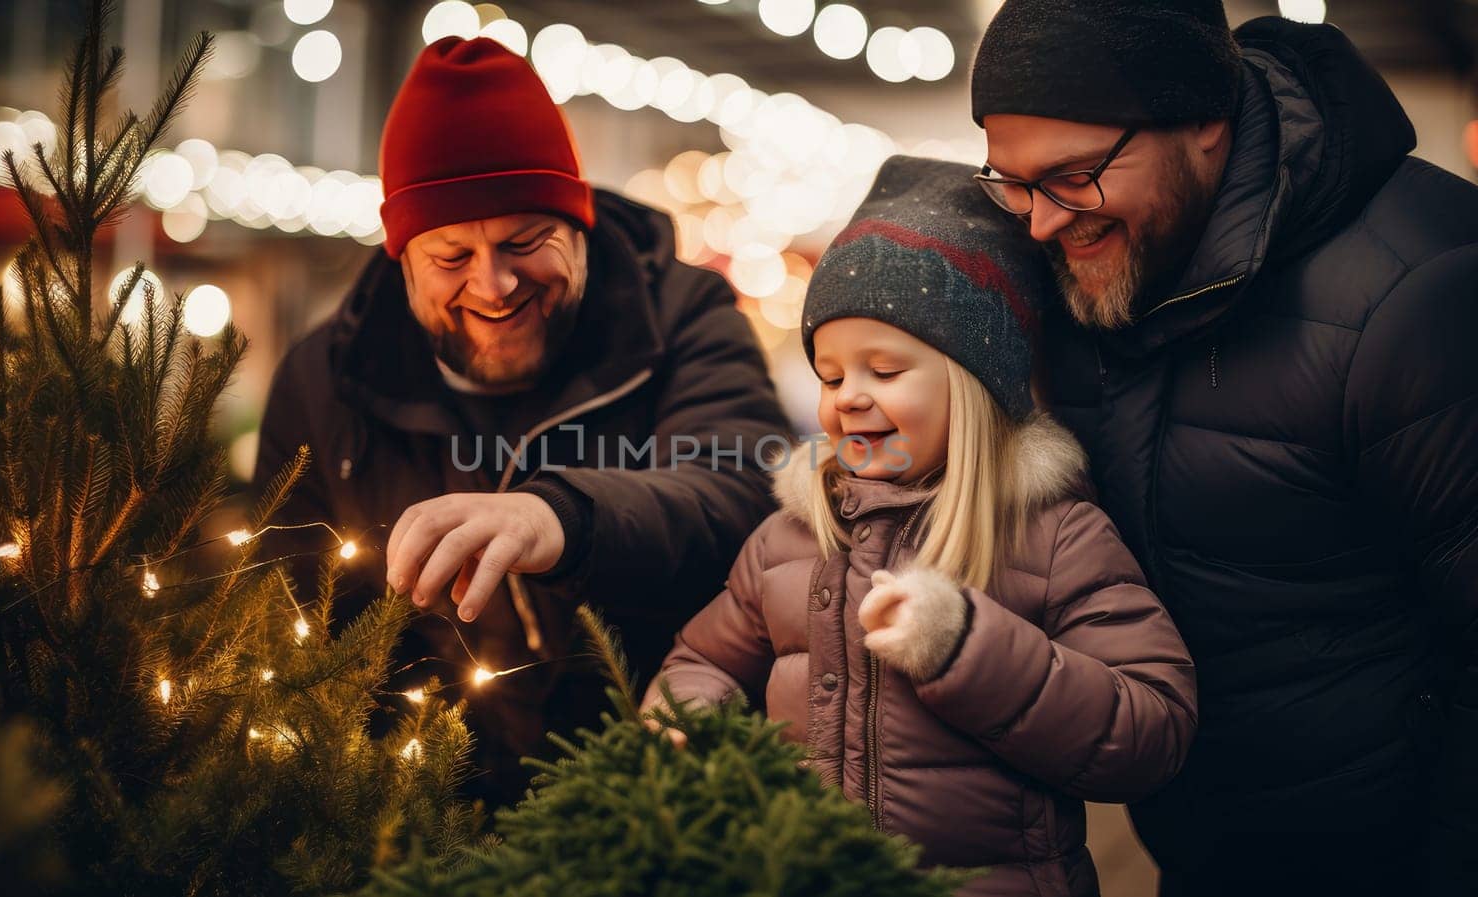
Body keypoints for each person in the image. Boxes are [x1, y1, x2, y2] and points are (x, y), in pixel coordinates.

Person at [968, 3, 1478, 895]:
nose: (1041, 224)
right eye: (1009, 184)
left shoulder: (1421, 290)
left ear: (1207, 119)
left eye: (1074, 176)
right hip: (1202, 848)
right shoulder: (1086, 259)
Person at [254, 36, 788, 804]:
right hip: (416, 818)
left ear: (579, 224)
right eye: (450, 255)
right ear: (402, 256)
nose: (494, 284)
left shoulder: (682, 317)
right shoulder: (323, 379)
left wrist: (561, 517)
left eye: (523, 242)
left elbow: (738, 496)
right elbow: (291, 622)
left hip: (661, 797)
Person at [644, 157, 1197, 896]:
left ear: (974, 382)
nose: (850, 398)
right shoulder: (791, 539)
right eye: (832, 376)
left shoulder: (1051, 535)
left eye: (884, 369)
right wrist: (686, 716)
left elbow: (1151, 726)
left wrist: (968, 647)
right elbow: (704, 658)